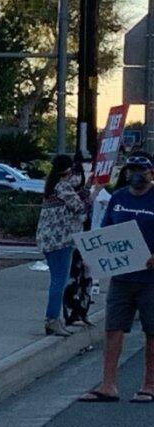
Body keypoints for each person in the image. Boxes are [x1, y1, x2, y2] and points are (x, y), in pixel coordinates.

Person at [78, 153, 154, 404]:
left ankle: (149, 385)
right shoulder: (119, 198)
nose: (136, 174)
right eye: (132, 169)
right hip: (122, 278)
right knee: (113, 329)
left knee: (151, 331)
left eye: (141, 170)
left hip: (150, 279)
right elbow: (107, 230)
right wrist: (96, 255)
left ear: (150, 173)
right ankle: (108, 385)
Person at [36, 154, 97, 337]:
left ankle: (55, 319)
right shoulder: (63, 187)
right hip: (61, 241)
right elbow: (80, 207)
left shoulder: (53, 187)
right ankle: (52, 319)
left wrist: (87, 187)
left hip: (49, 240)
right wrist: (95, 192)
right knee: (59, 281)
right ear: (69, 170)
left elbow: (74, 199)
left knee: (58, 280)